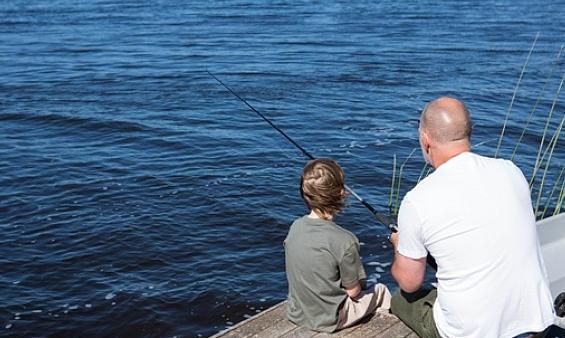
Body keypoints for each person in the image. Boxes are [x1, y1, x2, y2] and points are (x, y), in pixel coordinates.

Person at [389, 97, 555, 338]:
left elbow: (409, 282)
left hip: (473, 334)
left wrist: (399, 246)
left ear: (425, 139)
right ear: (470, 132)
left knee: (401, 300)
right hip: (538, 323)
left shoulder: (417, 201)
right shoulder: (511, 170)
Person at [284, 158, 391, 332]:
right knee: (381, 290)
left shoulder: (295, 227)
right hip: (331, 320)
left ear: (305, 193)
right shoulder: (345, 240)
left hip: (297, 312)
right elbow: (353, 292)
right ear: (341, 194)